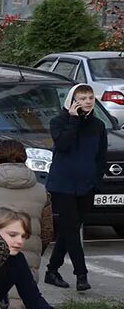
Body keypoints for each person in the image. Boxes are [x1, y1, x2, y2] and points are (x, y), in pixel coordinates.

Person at [43, 82, 105, 292]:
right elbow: (63, 145)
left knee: (70, 230)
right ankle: (82, 275)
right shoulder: (59, 121)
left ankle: (52, 270)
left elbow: (101, 157)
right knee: (70, 228)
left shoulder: (98, 125)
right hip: (63, 185)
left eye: (90, 98)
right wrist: (74, 119)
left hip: (86, 186)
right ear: (72, 100)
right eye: (82, 98)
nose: (87, 101)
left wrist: (96, 182)